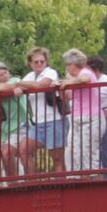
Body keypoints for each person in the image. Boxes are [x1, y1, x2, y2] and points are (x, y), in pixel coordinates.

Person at [17, 47, 66, 176]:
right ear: (30, 63)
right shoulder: (29, 76)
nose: (39, 64)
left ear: (46, 62)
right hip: (37, 122)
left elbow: (42, 85)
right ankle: (33, 184)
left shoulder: (50, 73)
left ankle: (61, 187)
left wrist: (18, 84)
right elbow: (18, 87)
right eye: (36, 62)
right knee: (24, 150)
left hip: (54, 119)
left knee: (56, 158)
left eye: (42, 61)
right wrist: (17, 87)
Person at [60, 48, 103, 175]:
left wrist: (69, 82)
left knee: (88, 152)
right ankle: (82, 178)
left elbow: (84, 79)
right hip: (77, 118)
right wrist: (60, 88)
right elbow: (67, 97)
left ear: (76, 64)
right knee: (76, 152)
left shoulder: (86, 72)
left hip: (91, 117)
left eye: (68, 64)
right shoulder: (73, 78)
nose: (66, 67)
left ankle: (94, 182)